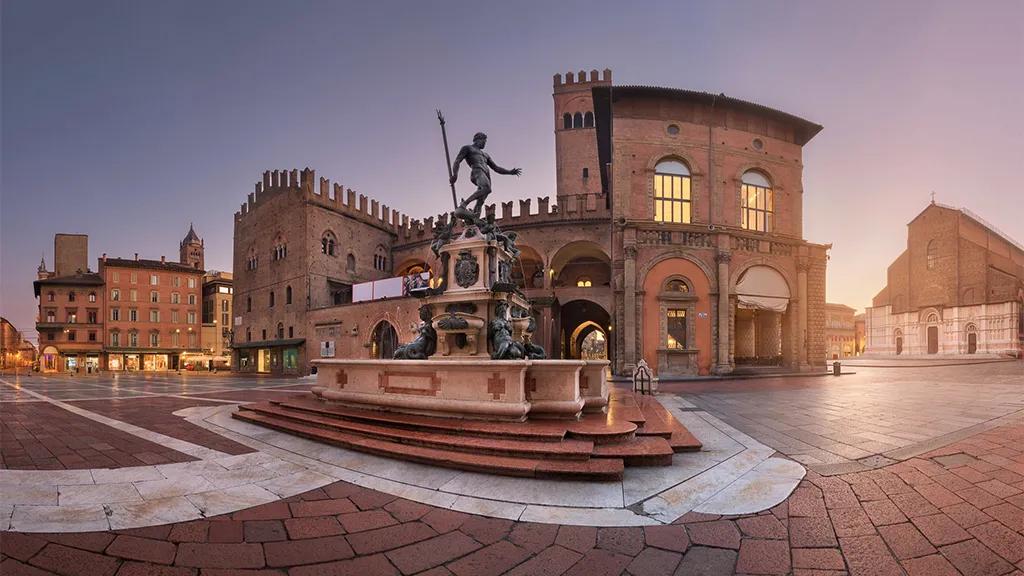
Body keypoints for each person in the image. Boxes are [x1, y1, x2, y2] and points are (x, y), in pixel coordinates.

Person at [450, 132, 522, 219]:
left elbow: (496, 168)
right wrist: (455, 174)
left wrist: (510, 172)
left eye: (485, 141)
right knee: (486, 188)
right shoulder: (468, 148)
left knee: (481, 200)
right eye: (484, 141)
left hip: (486, 174)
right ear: (477, 139)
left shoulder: (486, 155)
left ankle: (475, 218)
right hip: (477, 171)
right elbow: (457, 161)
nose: (485, 143)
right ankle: (464, 204)